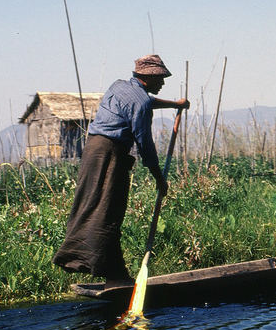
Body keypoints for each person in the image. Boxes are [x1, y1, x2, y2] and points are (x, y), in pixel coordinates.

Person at [53, 54, 189, 288]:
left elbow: (143, 100)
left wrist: (174, 104)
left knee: (95, 207)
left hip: (92, 150)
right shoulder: (141, 102)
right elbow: (145, 144)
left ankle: (114, 273)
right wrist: (159, 179)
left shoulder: (119, 86)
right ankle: (114, 275)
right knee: (109, 210)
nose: (163, 83)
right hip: (110, 154)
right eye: (161, 78)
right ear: (148, 77)